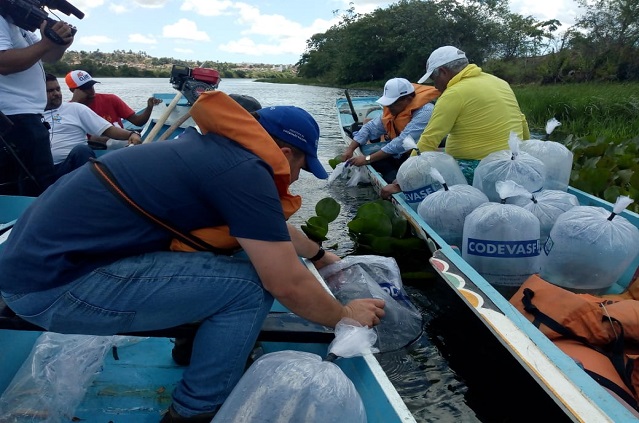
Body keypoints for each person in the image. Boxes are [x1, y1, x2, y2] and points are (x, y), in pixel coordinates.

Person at [0, 91, 385, 423]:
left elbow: (269, 233)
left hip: (38, 273)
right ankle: (196, 409)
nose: (297, 178)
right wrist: (344, 315)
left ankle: (194, 345)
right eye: (301, 165)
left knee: (243, 260)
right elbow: (284, 281)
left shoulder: (214, 153)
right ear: (285, 152)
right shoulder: (245, 171)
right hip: (55, 289)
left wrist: (319, 255)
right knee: (250, 289)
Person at [381, 46, 530, 198]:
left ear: (444, 72)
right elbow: (522, 121)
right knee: (440, 152)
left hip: (478, 168)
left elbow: (428, 140)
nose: (435, 86)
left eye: (434, 79)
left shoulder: (454, 93)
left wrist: (401, 182)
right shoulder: (500, 83)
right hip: (513, 162)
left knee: (429, 173)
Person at [0, 14, 74, 195]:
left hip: (28, 117)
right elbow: (3, 63)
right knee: (36, 189)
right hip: (14, 117)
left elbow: (49, 56)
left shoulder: (19, 26)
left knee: (40, 184)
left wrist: (62, 42)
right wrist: (48, 42)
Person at [44, 73, 142, 178]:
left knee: (82, 150)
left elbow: (108, 130)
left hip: (70, 168)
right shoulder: (30, 116)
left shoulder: (76, 109)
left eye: (58, 89)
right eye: (50, 91)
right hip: (41, 171)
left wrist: (132, 134)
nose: (57, 93)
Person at [342, 77, 439, 182]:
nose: (389, 107)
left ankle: (396, 183)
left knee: (376, 162)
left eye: (392, 103)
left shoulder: (425, 112)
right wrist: (350, 149)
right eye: (387, 103)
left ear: (408, 99)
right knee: (377, 160)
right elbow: (369, 128)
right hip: (402, 155)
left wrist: (367, 159)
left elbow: (402, 142)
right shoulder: (394, 110)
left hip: (423, 159)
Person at [65, 69, 162, 142]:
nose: (91, 90)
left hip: (119, 143)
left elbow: (138, 122)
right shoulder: (67, 111)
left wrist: (149, 107)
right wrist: (76, 104)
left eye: (91, 85)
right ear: (73, 91)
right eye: (85, 88)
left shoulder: (111, 99)